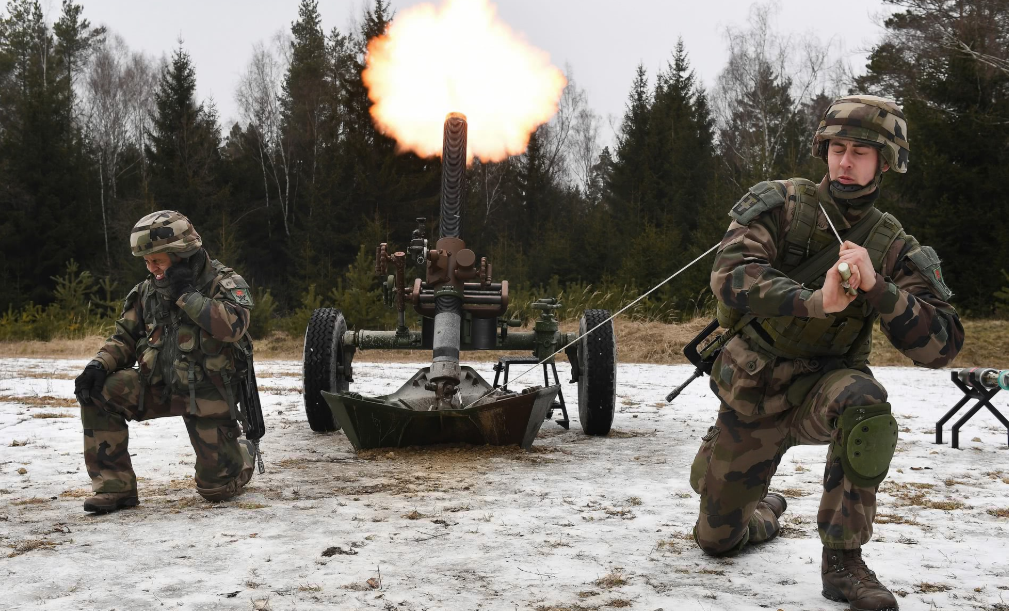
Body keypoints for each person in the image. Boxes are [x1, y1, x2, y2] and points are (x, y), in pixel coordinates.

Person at [689, 95, 963, 611]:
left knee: (867, 404)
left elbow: (943, 345)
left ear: (886, 161)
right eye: (838, 147)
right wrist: (812, 301)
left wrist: (881, 288)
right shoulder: (781, 205)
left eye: (861, 151)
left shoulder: (895, 247)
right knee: (715, 541)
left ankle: (843, 563)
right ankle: (762, 509)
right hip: (755, 389)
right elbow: (730, 275)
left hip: (825, 390)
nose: (845, 161)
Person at [74, 210, 257, 513]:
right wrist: (97, 365)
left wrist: (186, 295)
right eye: (147, 262)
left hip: (208, 394)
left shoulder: (223, 282)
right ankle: (115, 488)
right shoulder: (146, 291)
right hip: (158, 386)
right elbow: (124, 338)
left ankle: (241, 455)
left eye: (157, 260)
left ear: (182, 253)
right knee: (98, 391)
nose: (152, 268)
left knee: (216, 490)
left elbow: (233, 326)